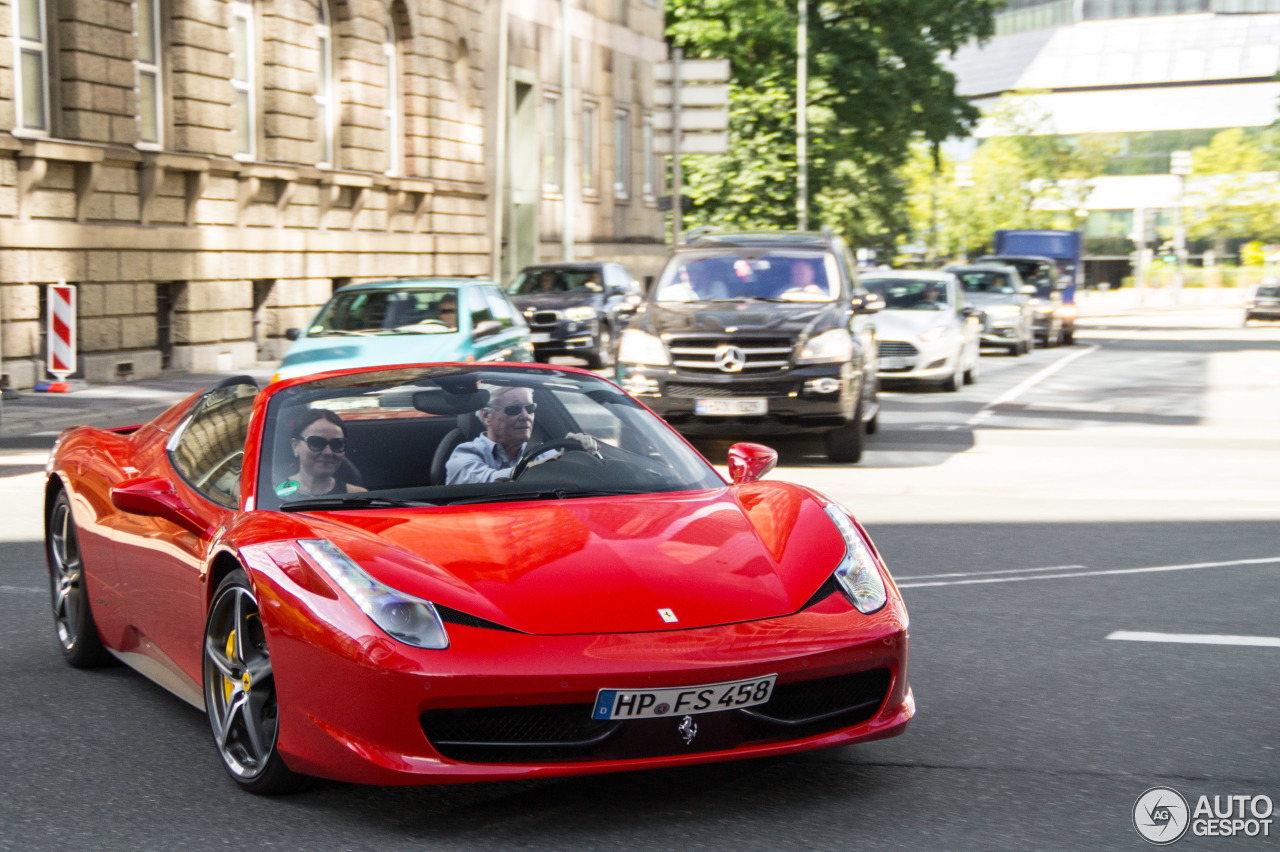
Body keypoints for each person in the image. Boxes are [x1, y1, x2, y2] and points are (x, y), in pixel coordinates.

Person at [446, 384, 599, 484]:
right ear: (487, 416)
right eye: (513, 409)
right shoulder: (464, 454)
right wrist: (557, 460)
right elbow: (491, 481)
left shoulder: (542, 452)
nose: (526, 416)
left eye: (530, 408)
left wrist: (577, 455)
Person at [275, 409, 367, 499]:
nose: (328, 452)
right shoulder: (273, 495)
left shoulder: (356, 497)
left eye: (337, 444)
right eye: (316, 443)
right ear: (295, 446)